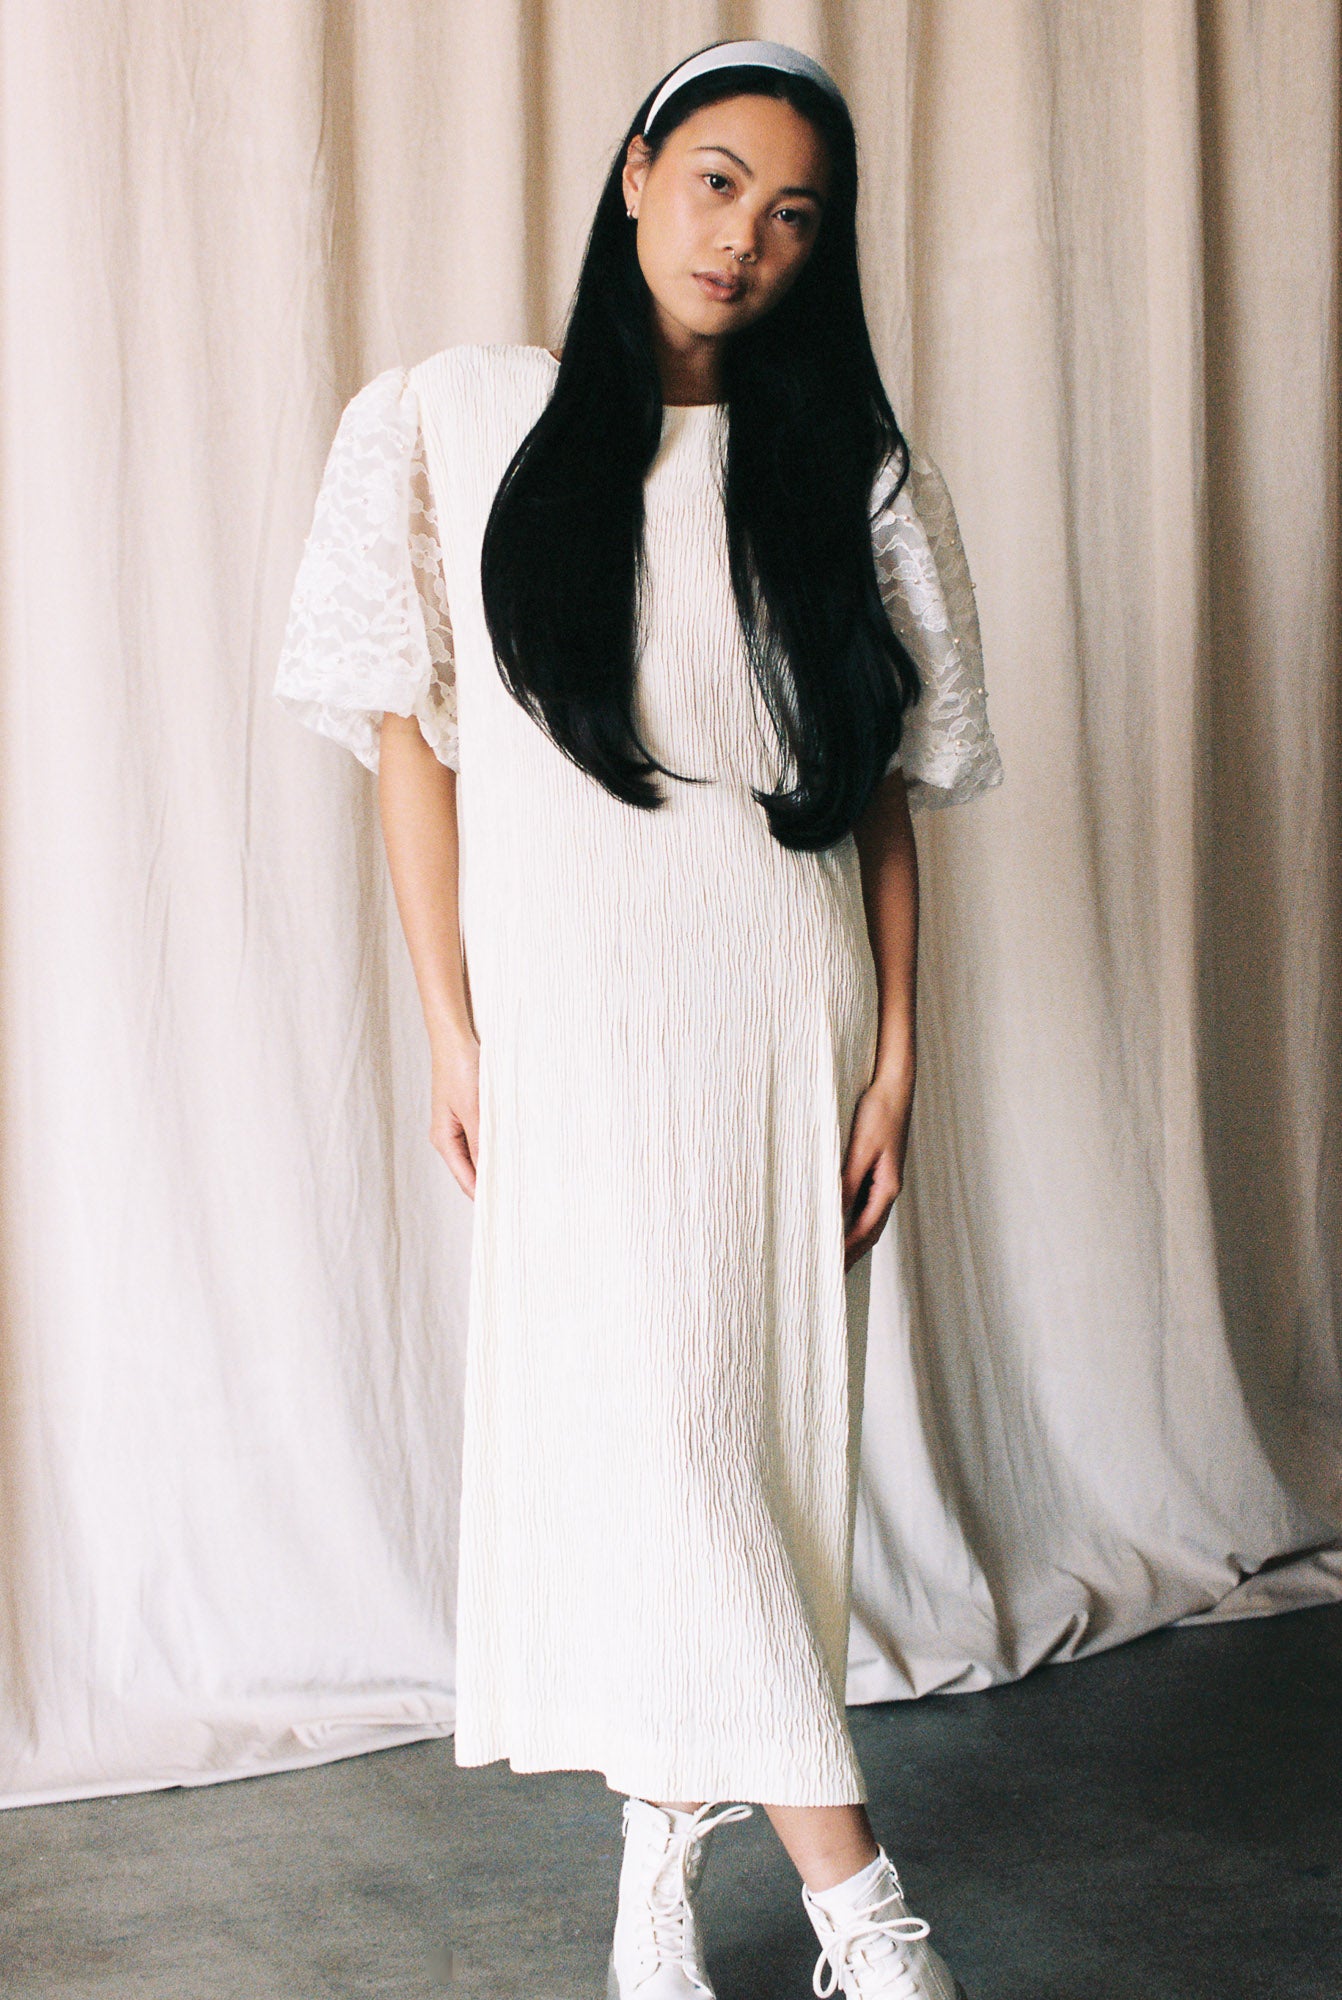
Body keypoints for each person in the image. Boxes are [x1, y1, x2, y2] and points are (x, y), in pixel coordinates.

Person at [274, 37, 1000, 2000]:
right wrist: (449, 1021)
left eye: (792, 215)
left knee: (731, 1455)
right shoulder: (452, 417)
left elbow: (875, 785)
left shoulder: (833, 467)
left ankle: (651, 1883)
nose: (744, 237)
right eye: (714, 184)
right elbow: (404, 746)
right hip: (576, 1023)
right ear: (631, 175)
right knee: (669, 1440)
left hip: (786, 1006)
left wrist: (900, 1049)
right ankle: (861, 1910)